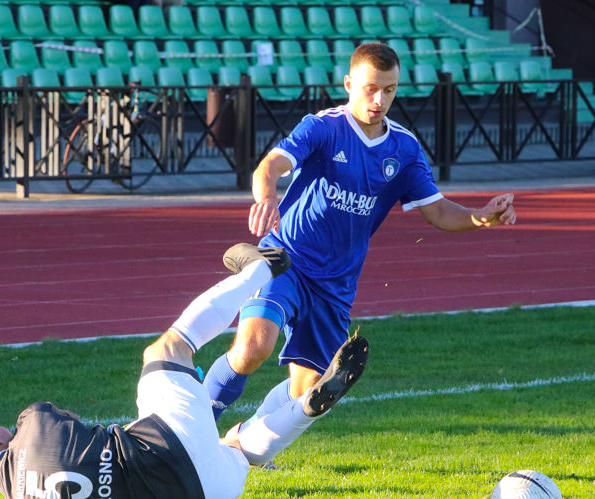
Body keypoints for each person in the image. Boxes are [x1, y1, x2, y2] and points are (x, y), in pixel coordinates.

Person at [0, 243, 369, 499]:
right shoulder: (31, 423)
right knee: (167, 348)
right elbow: (79, 437)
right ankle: (256, 269)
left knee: (236, 446)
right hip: (167, 440)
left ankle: (303, 408)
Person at [202, 42, 516, 421]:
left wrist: (481, 216)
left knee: (309, 394)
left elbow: (437, 211)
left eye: (389, 89)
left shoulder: (405, 149)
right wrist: (266, 196)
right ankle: (194, 429)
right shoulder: (324, 127)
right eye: (370, 88)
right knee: (253, 347)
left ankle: (241, 444)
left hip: (336, 283)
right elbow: (269, 165)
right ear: (349, 83)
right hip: (285, 259)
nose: (379, 99)